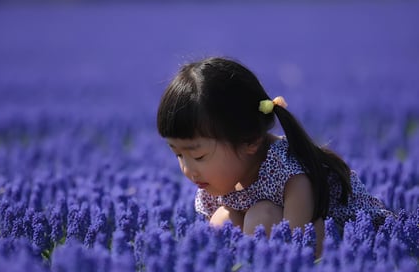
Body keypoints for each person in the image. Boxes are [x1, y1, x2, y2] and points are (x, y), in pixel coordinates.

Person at [157, 56, 393, 255]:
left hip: (358, 245)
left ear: (250, 141)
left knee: (263, 216)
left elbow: (304, 242)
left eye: (198, 156)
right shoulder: (220, 177)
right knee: (223, 220)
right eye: (178, 155)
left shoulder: (289, 174)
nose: (188, 170)